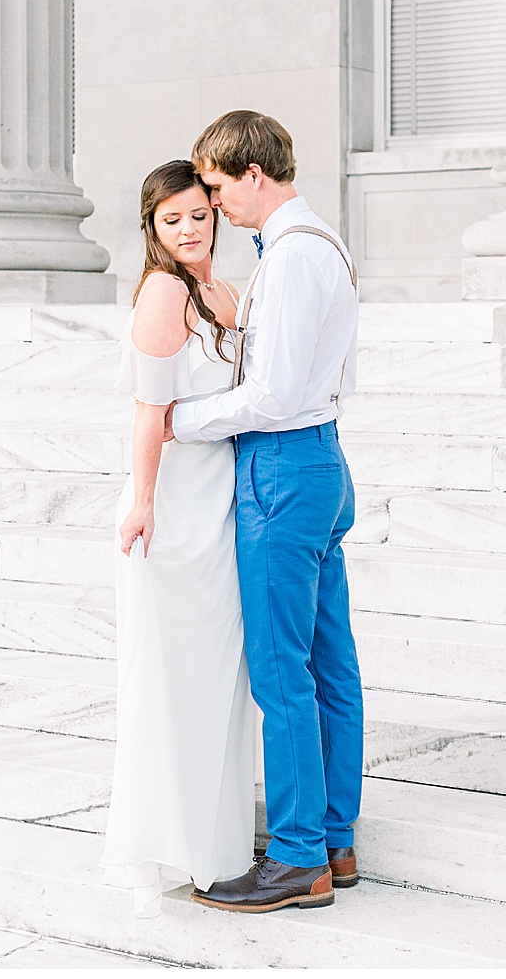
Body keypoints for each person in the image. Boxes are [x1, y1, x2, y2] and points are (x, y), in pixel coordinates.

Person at [164, 110, 364, 915]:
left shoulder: (288, 259)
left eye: (216, 187)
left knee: (282, 669)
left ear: (253, 174)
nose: (212, 204)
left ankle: (296, 855)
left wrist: (181, 419)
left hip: (283, 466)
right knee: (328, 662)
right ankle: (334, 838)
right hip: (321, 459)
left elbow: (272, 396)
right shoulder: (323, 244)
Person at [100, 159, 258, 918]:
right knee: (171, 679)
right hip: (171, 510)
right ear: (153, 228)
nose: (190, 229)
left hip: (220, 505)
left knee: (217, 680)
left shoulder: (224, 293)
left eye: (199, 214)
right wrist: (143, 503)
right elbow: (149, 411)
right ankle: (173, 845)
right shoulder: (164, 293)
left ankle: (218, 845)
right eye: (173, 220)